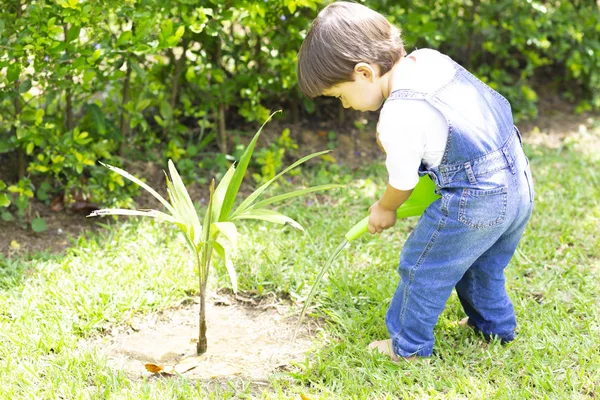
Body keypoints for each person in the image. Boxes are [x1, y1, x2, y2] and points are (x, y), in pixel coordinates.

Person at [297, 1, 534, 360]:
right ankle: (494, 329)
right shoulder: (429, 59)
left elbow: (403, 182)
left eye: (341, 96)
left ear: (364, 73)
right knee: (483, 263)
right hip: (518, 180)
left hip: (477, 198)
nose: (346, 106)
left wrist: (384, 208)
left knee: (422, 266)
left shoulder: (398, 111)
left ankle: (407, 347)